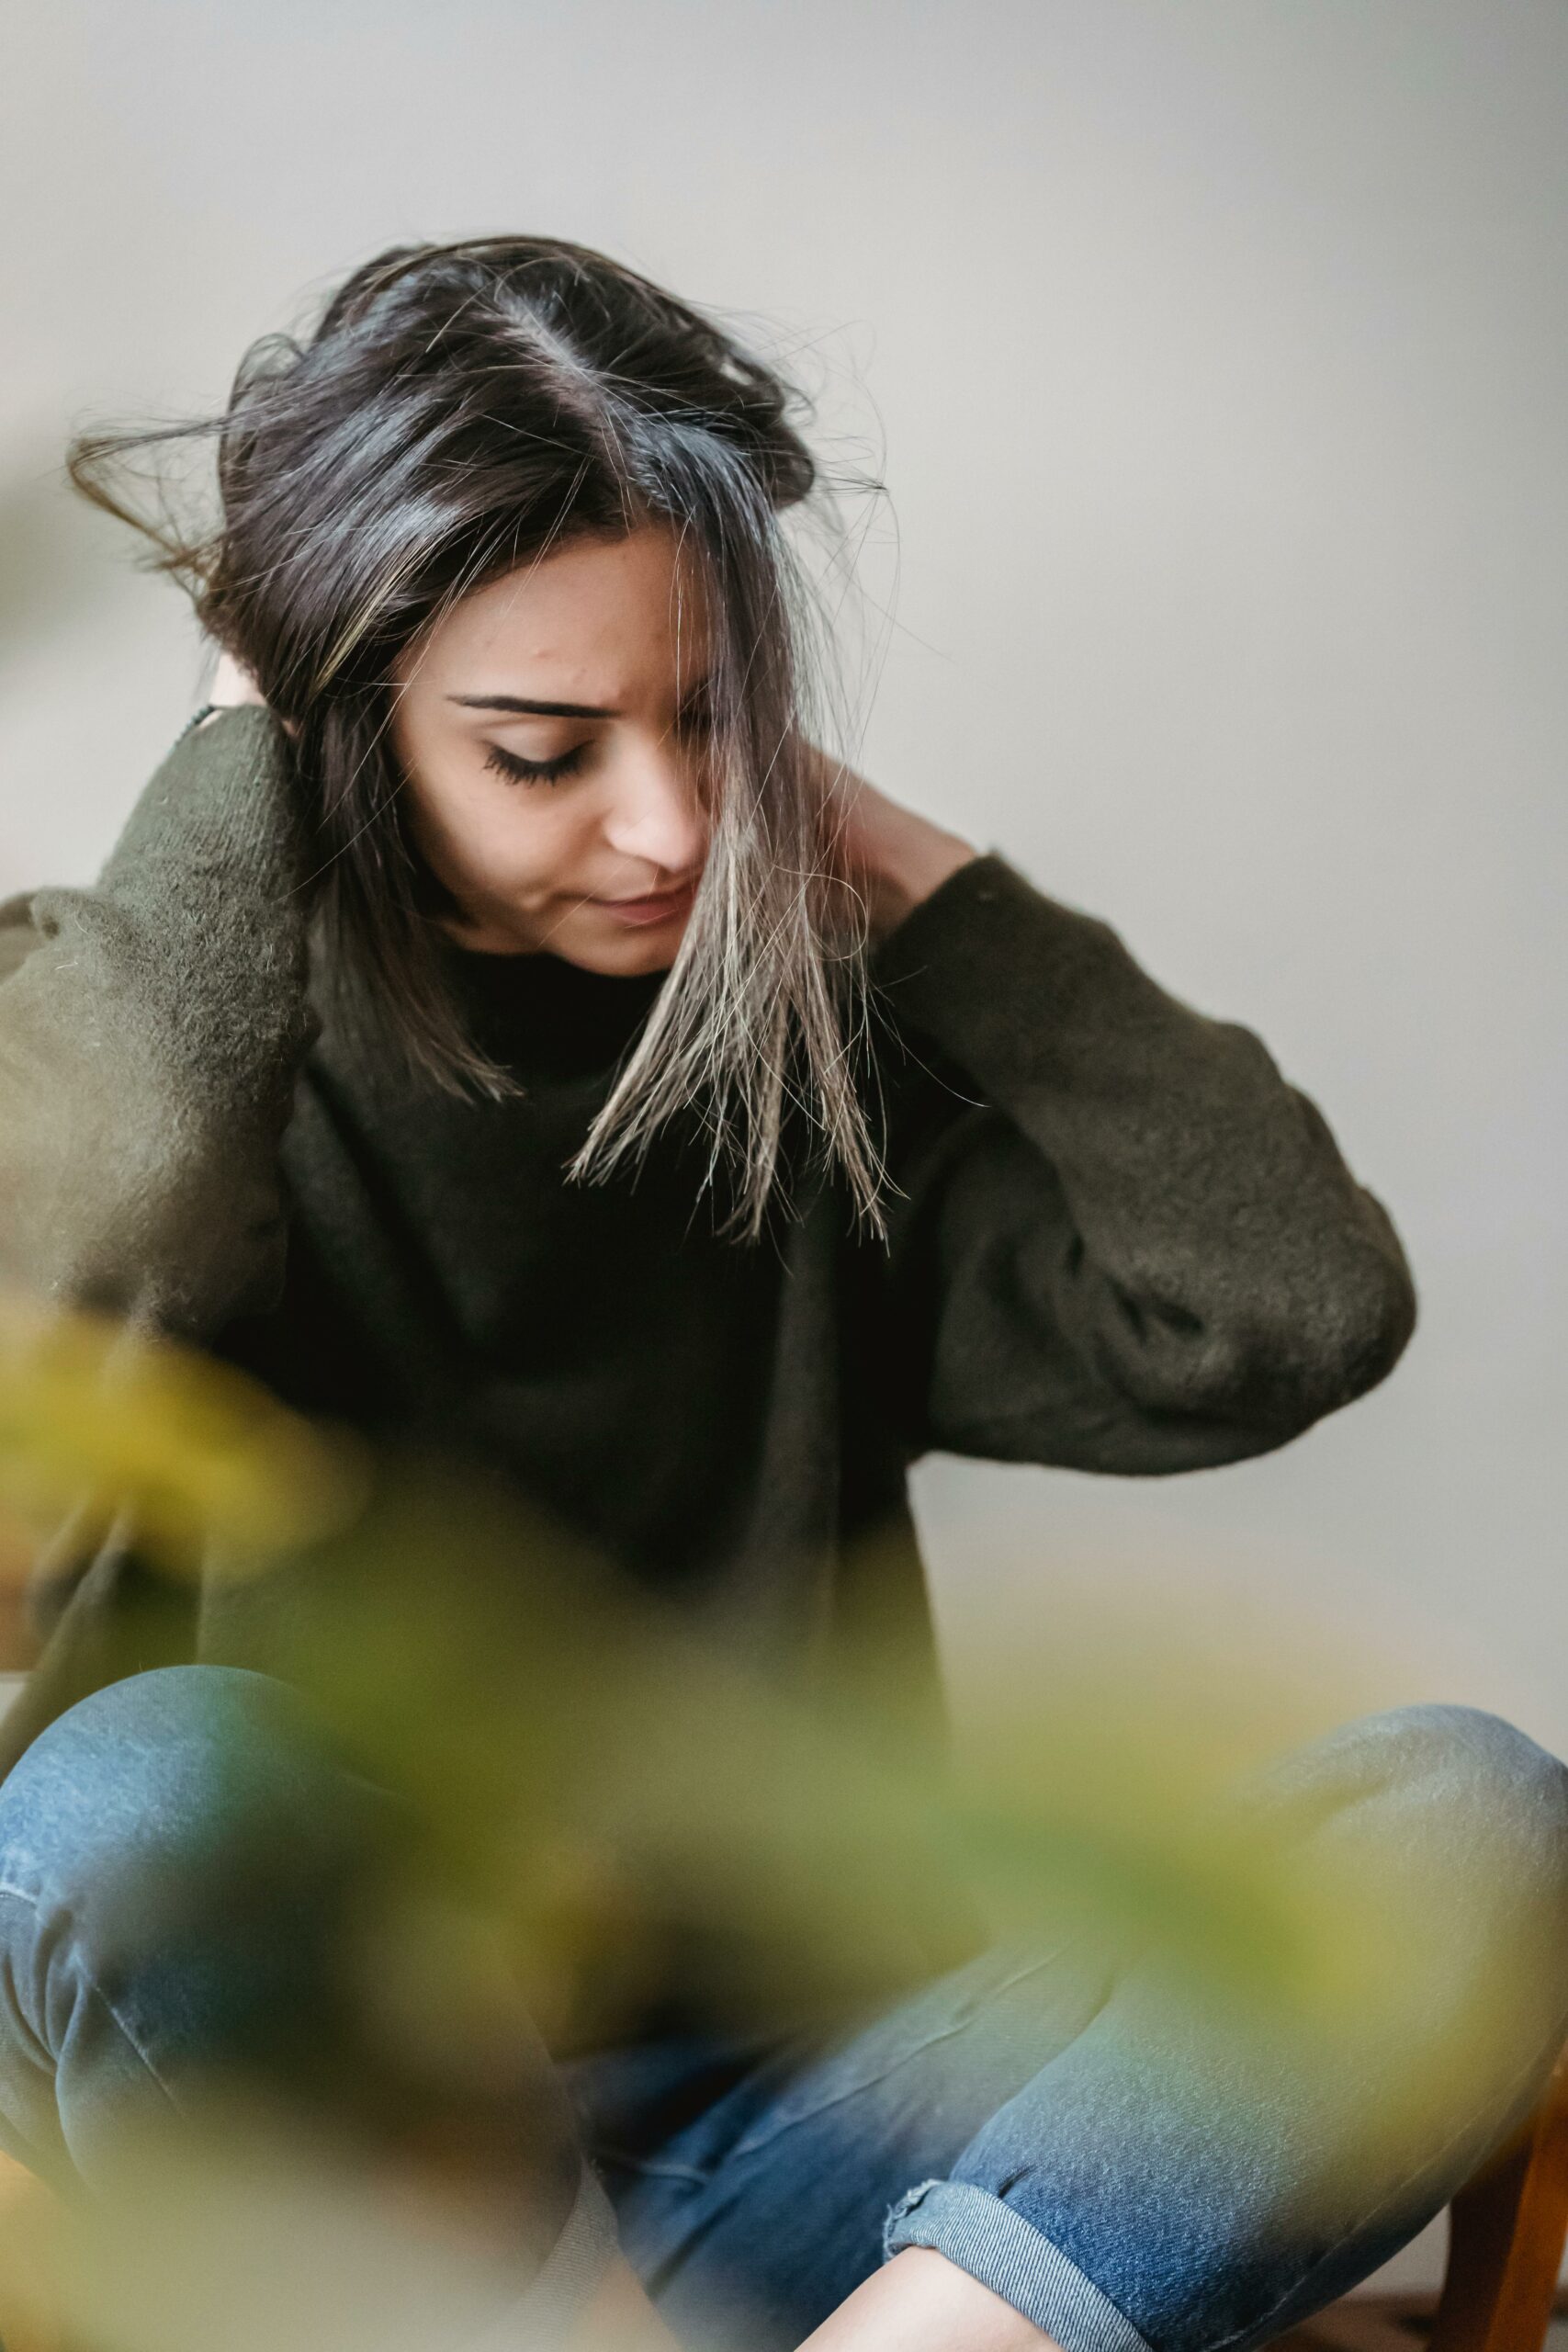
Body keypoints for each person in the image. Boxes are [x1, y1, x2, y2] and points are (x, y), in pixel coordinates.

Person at [0, 234, 1563, 2352]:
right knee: (131, 1787)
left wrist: (907, 879)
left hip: (809, 2139)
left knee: (1476, 1825)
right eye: (544, 750)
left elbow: (1284, 1304)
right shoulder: (113, 1040)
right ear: (341, 724)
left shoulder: (802, 1076)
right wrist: (236, 744)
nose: (664, 823)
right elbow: (84, 1256)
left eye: (715, 713)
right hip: (324, 2151)